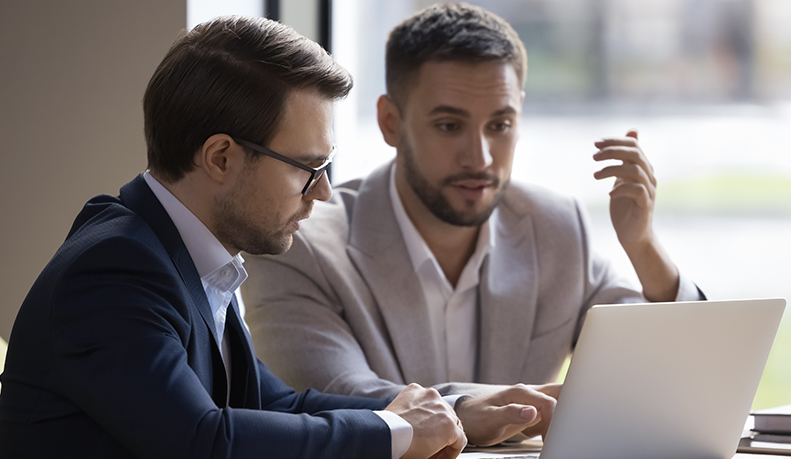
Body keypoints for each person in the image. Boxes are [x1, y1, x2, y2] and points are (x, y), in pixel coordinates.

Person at [0, 16, 558, 459]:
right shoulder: (115, 270)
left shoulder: (184, 257)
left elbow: (276, 405)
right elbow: (203, 441)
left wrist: (451, 415)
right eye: (308, 168)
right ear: (221, 157)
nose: (324, 193)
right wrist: (401, 432)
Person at [241, 3, 705, 401]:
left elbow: (673, 374)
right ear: (390, 123)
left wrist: (643, 246)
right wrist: (499, 407)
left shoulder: (555, 227)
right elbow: (338, 398)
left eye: (500, 125)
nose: (480, 157)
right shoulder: (300, 245)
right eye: (449, 126)